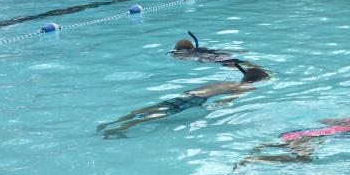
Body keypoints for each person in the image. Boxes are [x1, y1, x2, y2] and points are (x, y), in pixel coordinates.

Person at [98, 60, 269, 138]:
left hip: (189, 94)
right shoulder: (245, 86)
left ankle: (112, 122)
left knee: (149, 109)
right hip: (197, 101)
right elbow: (228, 100)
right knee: (158, 115)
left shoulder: (226, 81)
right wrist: (216, 107)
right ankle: (118, 130)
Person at [237, 100, 350, 166]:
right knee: (303, 161)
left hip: (299, 133)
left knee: (283, 146)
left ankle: (259, 150)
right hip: (309, 141)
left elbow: (324, 121)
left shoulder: (349, 119)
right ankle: (256, 159)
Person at [170, 31, 234, 63]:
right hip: (213, 55)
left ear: (176, 48)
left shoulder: (176, 55)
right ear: (192, 47)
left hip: (207, 58)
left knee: (227, 62)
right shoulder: (200, 49)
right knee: (230, 60)